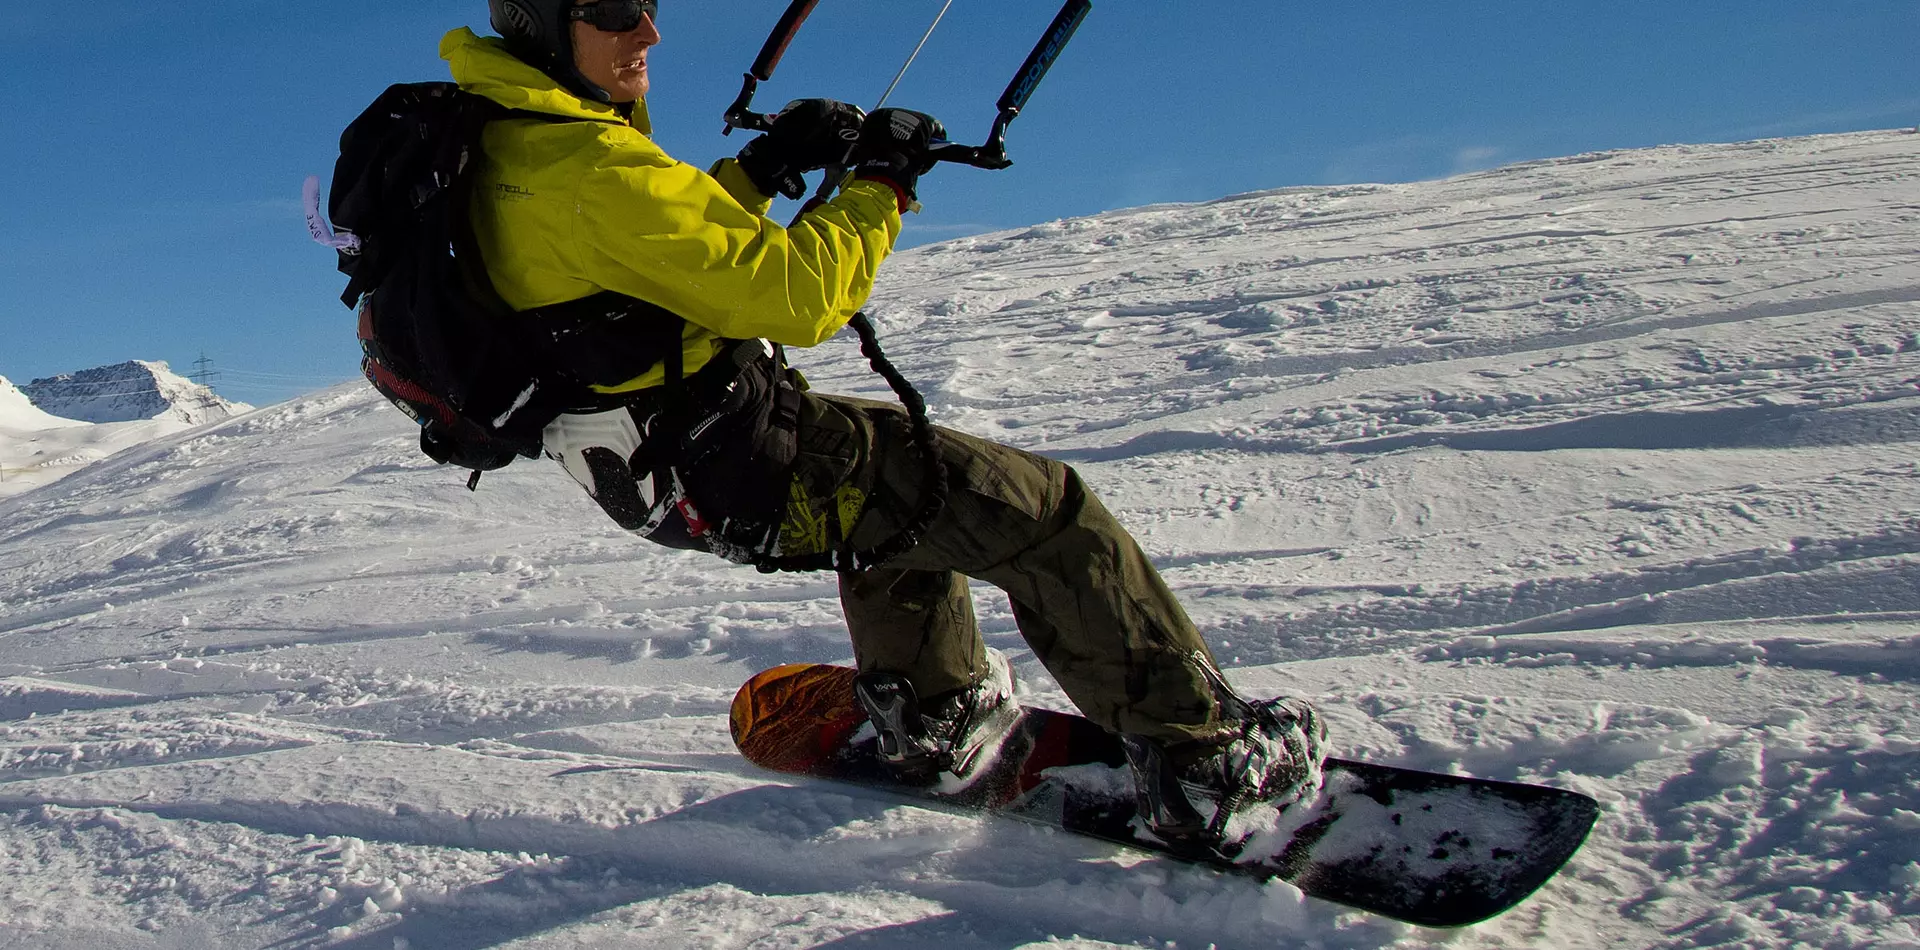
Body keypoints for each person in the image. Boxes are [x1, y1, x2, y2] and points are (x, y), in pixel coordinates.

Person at [453, 0, 1327, 853]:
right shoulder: (591, 166)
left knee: (897, 496)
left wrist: (766, 165)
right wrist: (881, 183)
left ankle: (932, 710)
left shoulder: (514, 140)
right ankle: (1206, 766)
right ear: (541, 21)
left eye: (646, 3)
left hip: (666, 463)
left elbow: (649, 249)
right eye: (611, 10)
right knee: (1049, 515)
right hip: (741, 458)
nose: (647, 30)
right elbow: (799, 297)